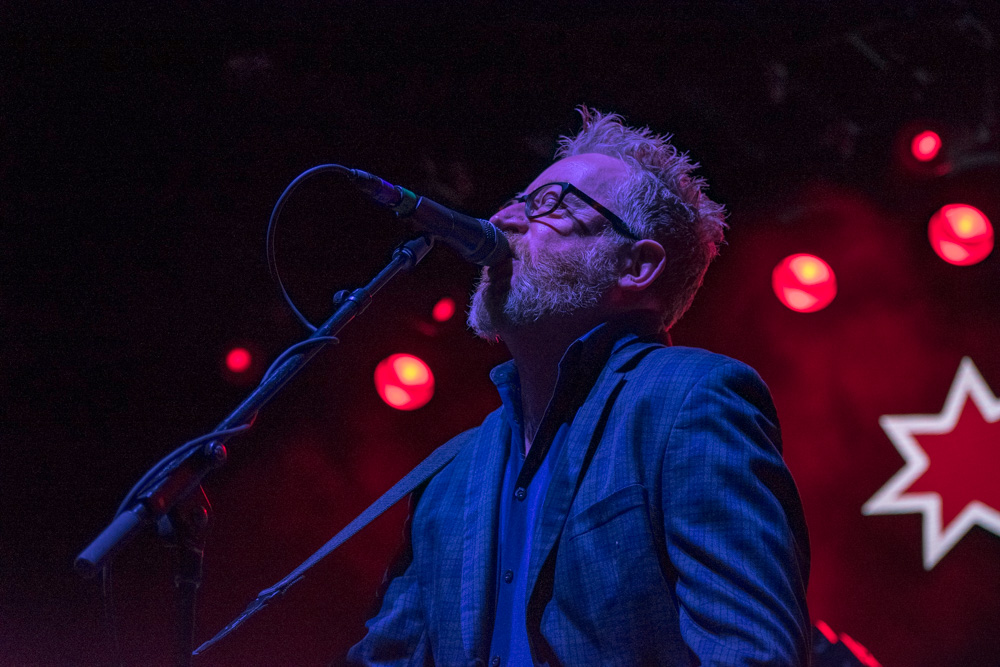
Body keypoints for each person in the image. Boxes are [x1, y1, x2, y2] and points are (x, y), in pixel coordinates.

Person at [347, 108, 811, 666]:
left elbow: (750, 654)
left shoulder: (691, 399)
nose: (503, 218)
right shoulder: (450, 473)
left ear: (636, 266)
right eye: (517, 200)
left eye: (550, 204)